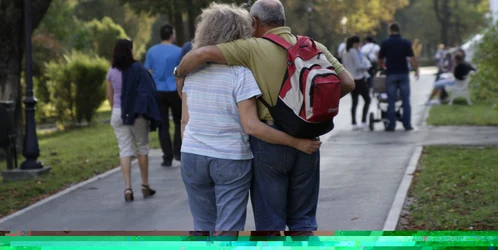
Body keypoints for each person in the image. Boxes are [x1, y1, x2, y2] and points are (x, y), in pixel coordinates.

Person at [175, 0, 355, 236]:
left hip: (269, 143)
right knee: (302, 221)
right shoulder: (313, 45)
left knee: (270, 224)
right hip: (309, 139)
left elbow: (203, 53)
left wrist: (179, 75)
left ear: (255, 22)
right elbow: (348, 83)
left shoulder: (253, 47)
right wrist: (307, 109)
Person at [106, 39, 162, 201]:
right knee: (142, 148)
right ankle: (145, 185)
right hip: (137, 113)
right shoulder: (137, 69)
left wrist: (116, 110)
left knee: (124, 150)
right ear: (129, 51)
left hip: (117, 113)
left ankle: (128, 189)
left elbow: (109, 96)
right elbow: (148, 89)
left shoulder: (111, 71)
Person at [145, 24, 182, 167]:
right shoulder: (178, 52)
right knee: (179, 121)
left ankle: (167, 157)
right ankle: (178, 152)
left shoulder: (152, 51)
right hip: (174, 90)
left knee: (163, 124)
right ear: (172, 35)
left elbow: (148, 71)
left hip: (158, 91)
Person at [378, 23, 419, 132]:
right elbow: (412, 58)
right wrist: (416, 70)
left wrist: (383, 67)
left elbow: (380, 59)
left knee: (391, 101)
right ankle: (407, 124)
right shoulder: (406, 42)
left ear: (390, 30)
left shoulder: (385, 42)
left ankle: (392, 125)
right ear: (399, 30)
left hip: (391, 74)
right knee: (406, 100)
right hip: (403, 74)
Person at [343, 35, 371, 130]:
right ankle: (363, 121)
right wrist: (366, 67)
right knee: (367, 99)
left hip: (350, 79)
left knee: (354, 102)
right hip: (359, 79)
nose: (359, 45)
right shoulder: (354, 52)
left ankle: (354, 123)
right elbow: (358, 66)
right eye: (358, 43)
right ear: (354, 43)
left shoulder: (345, 52)